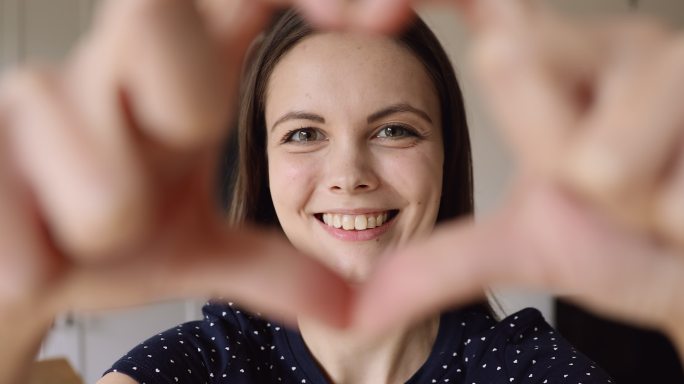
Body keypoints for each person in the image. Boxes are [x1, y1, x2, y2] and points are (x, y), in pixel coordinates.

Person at [98, 8, 612, 384]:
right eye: (303, 134)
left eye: (394, 131)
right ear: (265, 166)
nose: (349, 175)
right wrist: (17, 317)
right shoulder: (205, 365)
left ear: (446, 157)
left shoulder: (523, 369)